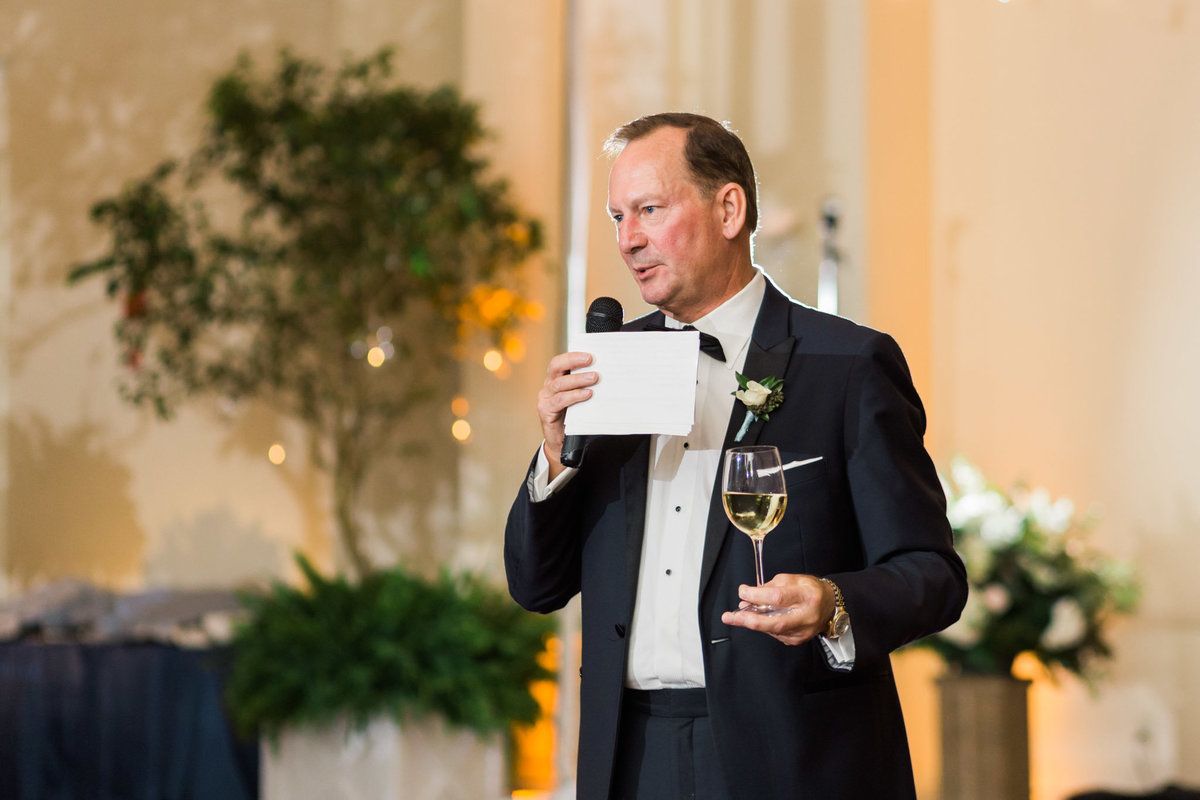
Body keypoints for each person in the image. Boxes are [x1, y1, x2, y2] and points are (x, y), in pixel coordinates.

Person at [504, 112, 967, 800]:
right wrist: (554, 457)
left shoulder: (848, 365)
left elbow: (932, 574)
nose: (629, 239)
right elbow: (536, 587)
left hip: (795, 756)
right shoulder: (610, 370)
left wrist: (835, 601)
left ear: (729, 208)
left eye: (650, 210)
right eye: (617, 217)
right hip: (631, 756)